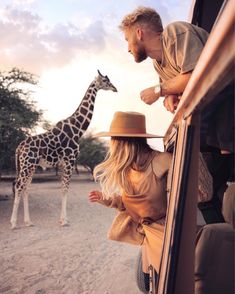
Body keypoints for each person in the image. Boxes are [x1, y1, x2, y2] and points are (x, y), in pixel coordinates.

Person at [119, 6, 234, 223]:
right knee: (206, 192)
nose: (127, 48)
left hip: (227, 111)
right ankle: (219, 237)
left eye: (127, 39)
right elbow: (176, 88)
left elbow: (196, 75)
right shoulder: (157, 64)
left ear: (139, 33)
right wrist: (168, 95)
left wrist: (159, 90)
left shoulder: (175, 33)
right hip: (212, 127)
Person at [88, 111, 172, 275]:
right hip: (146, 234)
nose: (112, 144)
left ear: (122, 142)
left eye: (114, 139)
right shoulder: (127, 170)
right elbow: (133, 202)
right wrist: (108, 200)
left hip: (165, 234)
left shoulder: (162, 161)